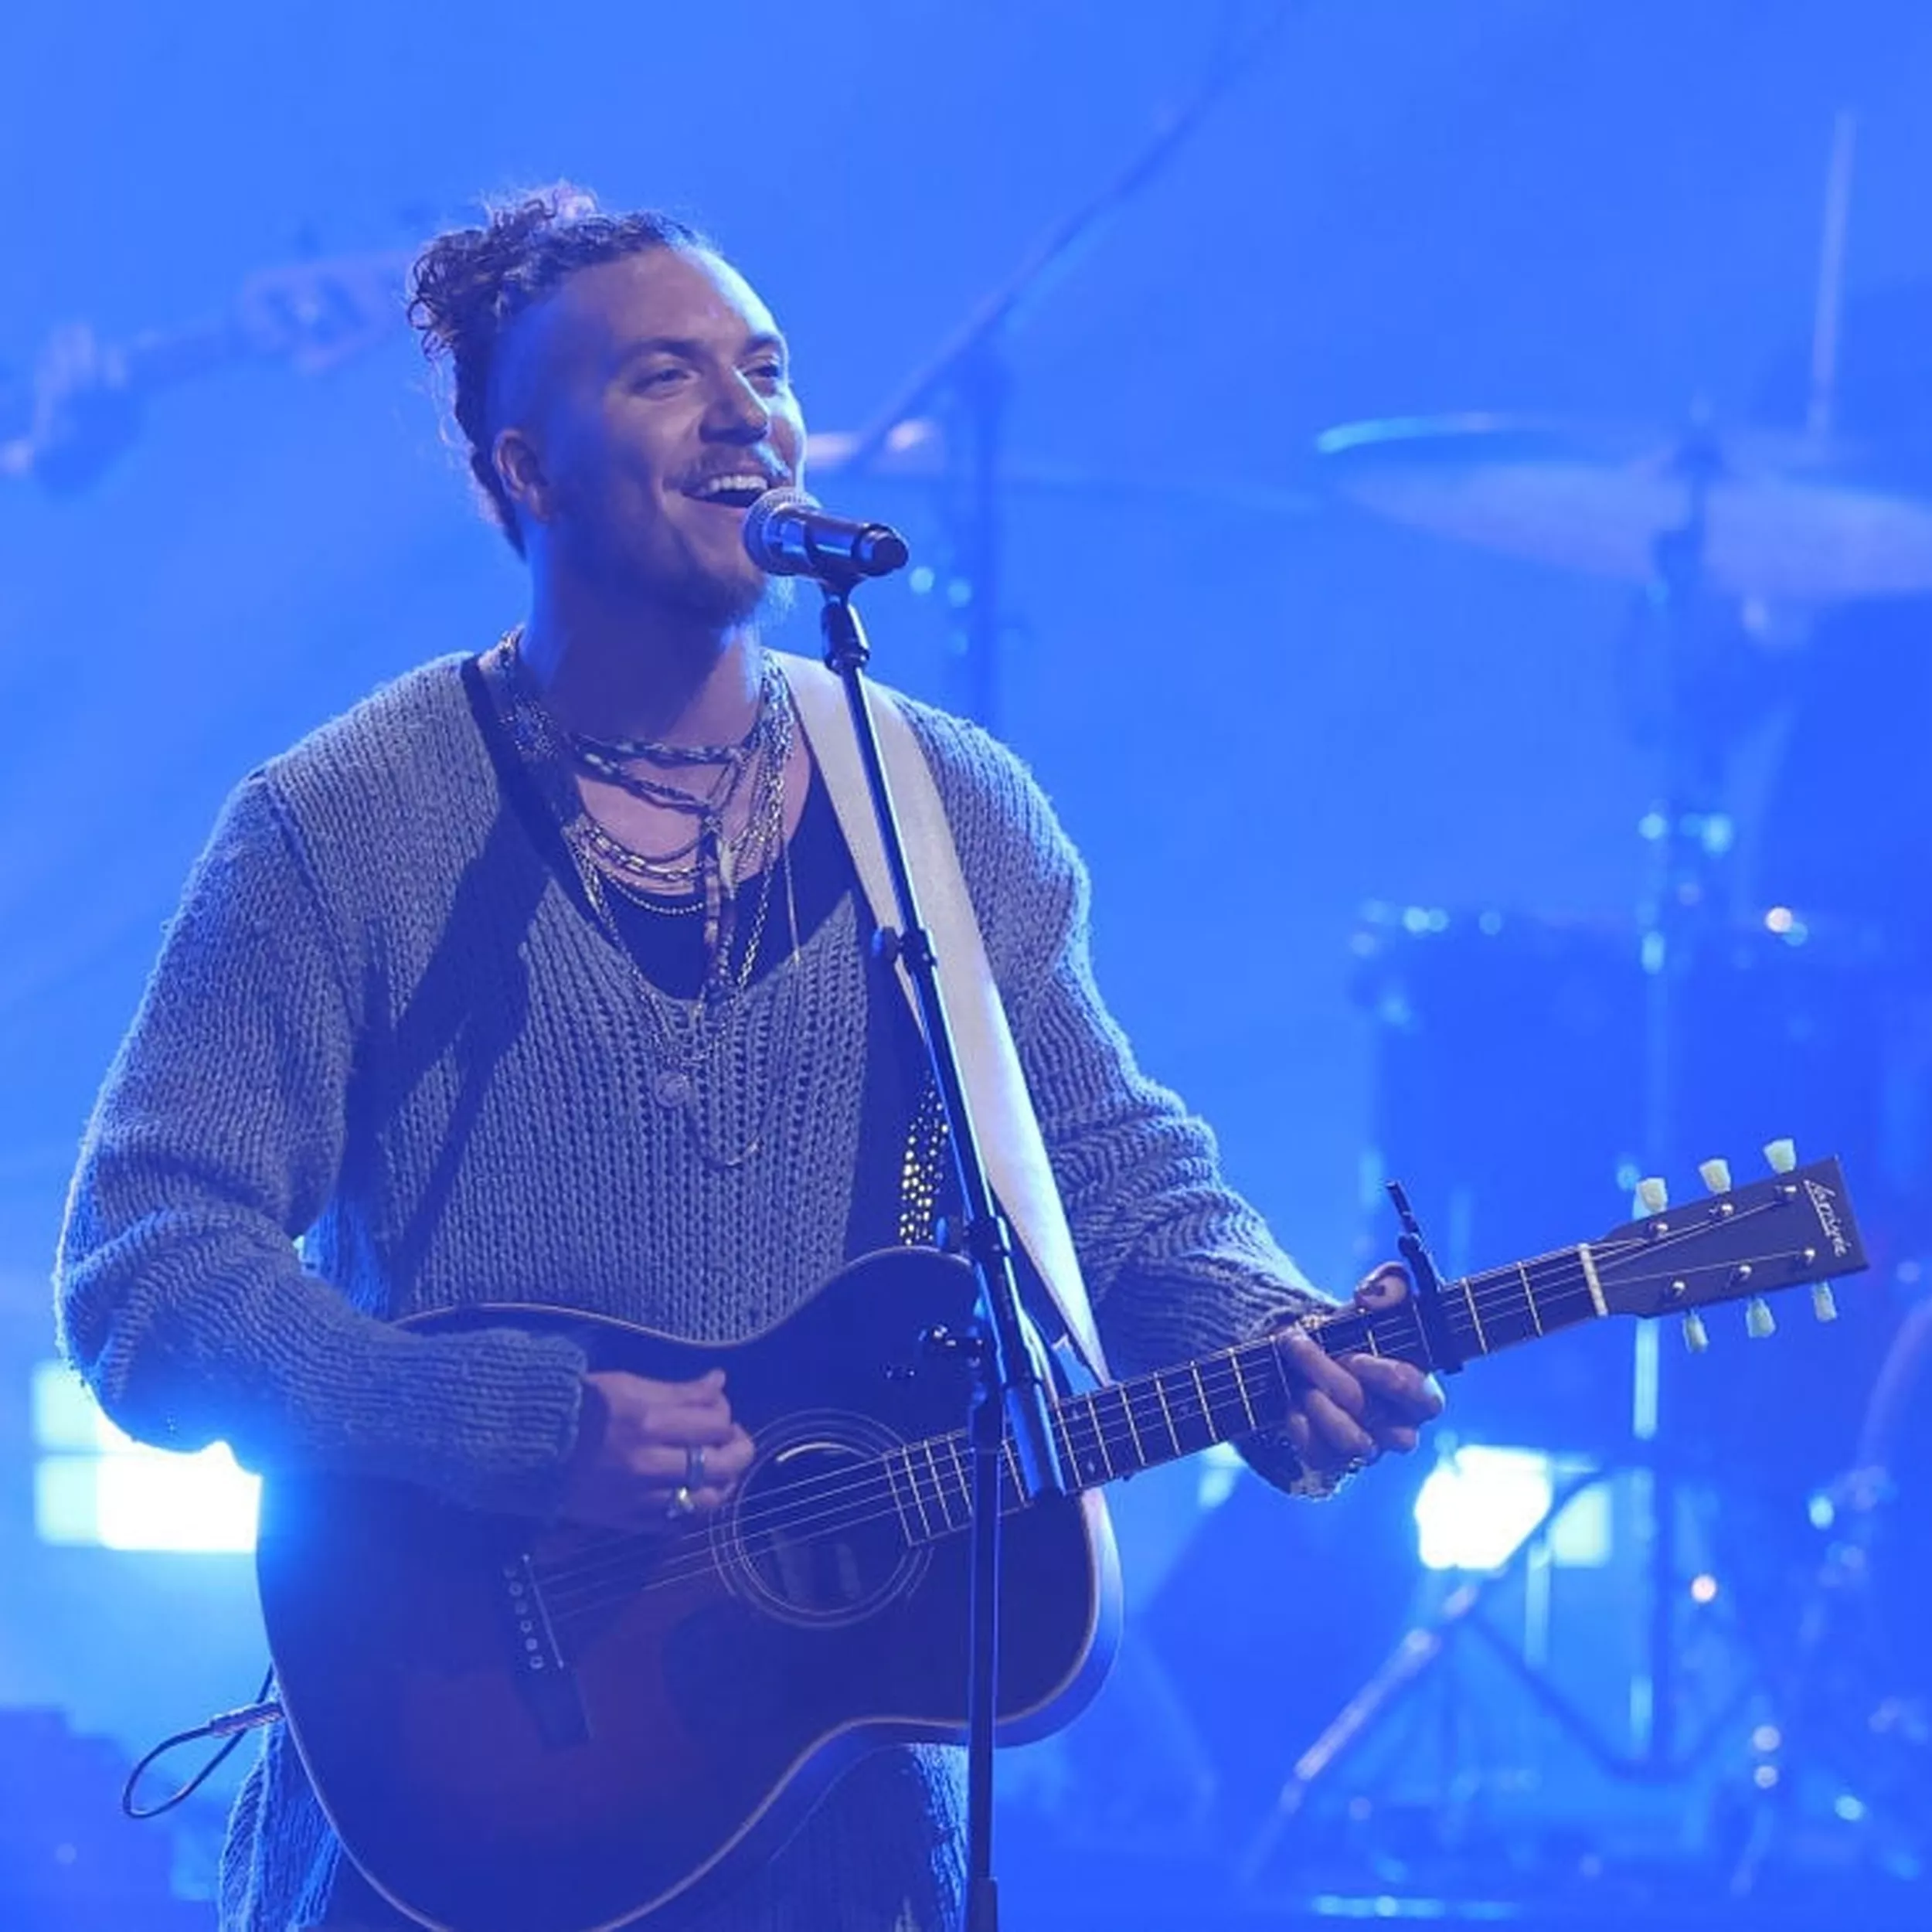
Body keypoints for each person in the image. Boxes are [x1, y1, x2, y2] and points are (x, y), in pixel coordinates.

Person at [53, 186, 1441, 1932]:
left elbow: (1110, 1179)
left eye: (766, 371)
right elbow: (147, 1274)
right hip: (446, 1811)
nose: (746, 415)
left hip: (838, 1836)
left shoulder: (944, 810)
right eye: (663, 375)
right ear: (526, 470)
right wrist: (521, 1427)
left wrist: (1264, 1333)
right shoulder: (343, 820)